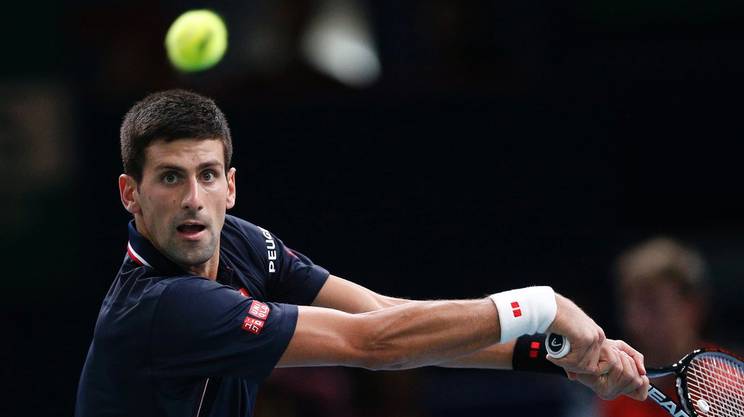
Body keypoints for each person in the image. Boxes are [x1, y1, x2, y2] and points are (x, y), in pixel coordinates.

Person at [75, 89, 649, 417]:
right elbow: (372, 344)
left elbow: (381, 313)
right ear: (130, 194)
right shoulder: (161, 308)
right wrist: (543, 306)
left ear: (230, 186)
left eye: (206, 175)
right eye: (170, 178)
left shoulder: (239, 243)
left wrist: (554, 354)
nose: (192, 199)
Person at [598, 237, 711, 417]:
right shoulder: (616, 396)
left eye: (652, 306)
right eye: (631, 307)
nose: (637, 321)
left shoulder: (731, 385)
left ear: (691, 307)